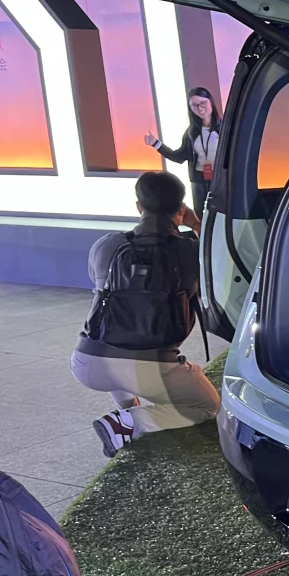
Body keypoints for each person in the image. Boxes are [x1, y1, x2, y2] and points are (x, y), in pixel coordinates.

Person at [70, 171, 221, 457]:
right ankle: (128, 422)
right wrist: (196, 225)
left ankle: (126, 409)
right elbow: (219, 264)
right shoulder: (190, 250)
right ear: (180, 209)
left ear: (139, 207)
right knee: (208, 406)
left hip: (88, 362)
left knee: (118, 348)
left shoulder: (107, 244)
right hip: (150, 367)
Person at [145, 86, 222, 212]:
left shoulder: (224, 129)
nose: (199, 108)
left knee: (221, 212)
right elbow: (179, 157)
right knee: (200, 213)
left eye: (203, 103)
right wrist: (156, 144)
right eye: (194, 105)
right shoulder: (191, 132)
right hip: (199, 180)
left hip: (220, 178)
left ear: (211, 102)